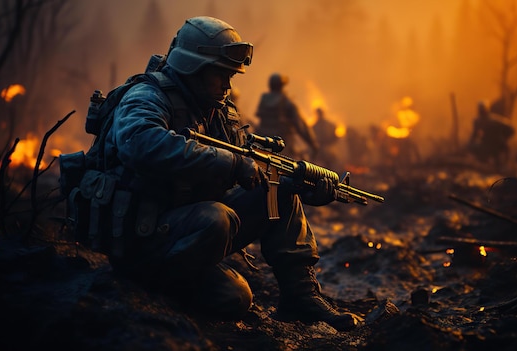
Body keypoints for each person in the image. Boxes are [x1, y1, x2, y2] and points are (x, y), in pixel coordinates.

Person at [95, 16, 362, 331]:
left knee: (277, 195)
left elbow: (252, 165)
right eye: (220, 75)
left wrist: (299, 186)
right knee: (218, 228)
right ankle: (150, 285)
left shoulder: (217, 109)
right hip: (144, 239)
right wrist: (231, 164)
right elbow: (139, 143)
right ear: (193, 68)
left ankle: (300, 297)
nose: (228, 85)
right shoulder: (147, 96)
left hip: (185, 230)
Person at [254, 73, 319, 158]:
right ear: (281, 85)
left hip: (262, 143)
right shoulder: (286, 102)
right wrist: (313, 143)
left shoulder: (264, 99)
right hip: (282, 145)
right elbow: (300, 125)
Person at [467, 99, 515, 169]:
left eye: (482, 109)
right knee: (479, 153)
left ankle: (498, 167)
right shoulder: (478, 121)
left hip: (496, 144)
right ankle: (486, 162)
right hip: (486, 144)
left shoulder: (496, 120)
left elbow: (510, 129)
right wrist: (469, 144)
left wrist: (504, 139)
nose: (481, 111)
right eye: (480, 109)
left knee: (497, 160)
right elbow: (475, 134)